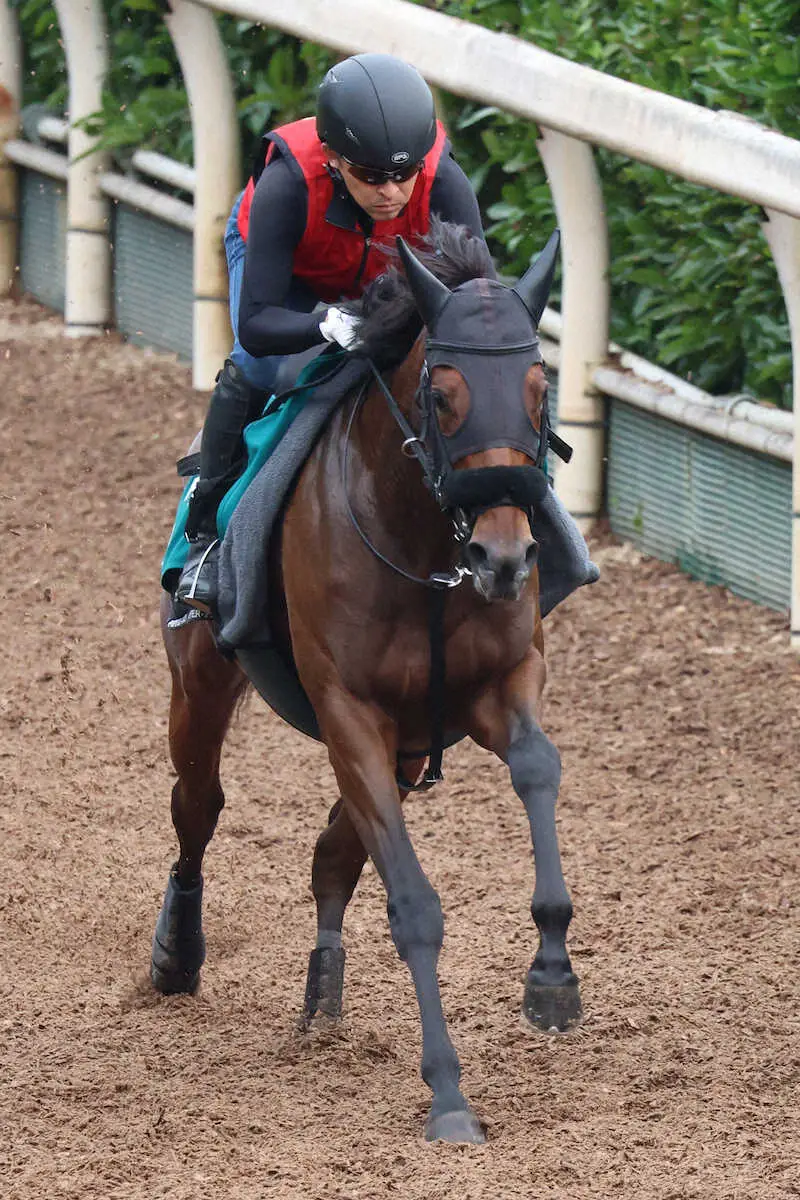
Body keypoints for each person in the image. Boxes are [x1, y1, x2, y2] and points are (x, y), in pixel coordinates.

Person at [175, 51, 485, 615]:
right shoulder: (285, 185)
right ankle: (205, 537)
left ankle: (538, 523)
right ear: (336, 161)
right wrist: (325, 321)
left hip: (387, 268)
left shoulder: (445, 182)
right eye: (371, 176)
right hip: (290, 276)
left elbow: (476, 308)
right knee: (263, 367)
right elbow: (259, 324)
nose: (391, 192)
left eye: (404, 173)